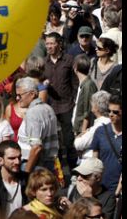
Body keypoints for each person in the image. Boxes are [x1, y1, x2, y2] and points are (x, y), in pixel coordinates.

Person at [42, 32, 78, 170]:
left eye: (52, 43)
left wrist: (74, 101)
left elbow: (75, 83)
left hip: (67, 106)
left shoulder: (69, 60)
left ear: (59, 44)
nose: (49, 46)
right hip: (50, 108)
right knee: (54, 144)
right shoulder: (44, 62)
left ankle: (73, 170)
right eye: (47, 44)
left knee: (69, 141)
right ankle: (58, 174)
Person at [16, 77, 59, 174]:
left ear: (32, 94)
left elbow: (36, 147)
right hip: (48, 165)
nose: (17, 98)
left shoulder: (33, 113)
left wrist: (26, 172)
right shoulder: (48, 108)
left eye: (20, 95)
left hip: (34, 166)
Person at [89, 94, 122, 196]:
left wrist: (117, 193)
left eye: (115, 112)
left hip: (118, 190)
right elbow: (94, 160)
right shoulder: (100, 131)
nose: (111, 114)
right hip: (101, 189)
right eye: (109, 111)